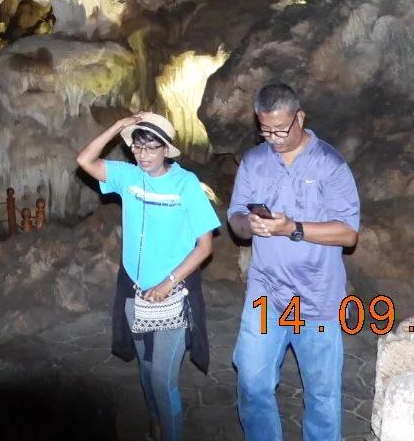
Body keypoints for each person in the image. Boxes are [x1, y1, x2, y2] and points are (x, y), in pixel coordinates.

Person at [226, 83, 361, 441]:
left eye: (281, 129)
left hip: (317, 297)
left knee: (321, 395)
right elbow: (236, 217)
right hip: (267, 292)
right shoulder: (254, 162)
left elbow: (348, 233)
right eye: (265, 129)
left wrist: (293, 228)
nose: (274, 138)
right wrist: (248, 224)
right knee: (252, 382)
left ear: (300, 118)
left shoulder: (330, 164)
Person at [78, 110, 220, 441]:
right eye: (138, 147)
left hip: (173, 292)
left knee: (161, 377)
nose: (144, 155)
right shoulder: (127, 177)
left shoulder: (185, 185)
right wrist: (117, 126)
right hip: (135, 288)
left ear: (166, 149)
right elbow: (85, 159)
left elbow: (205, 247)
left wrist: (168, 281)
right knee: (145, 369)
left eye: (151, 147)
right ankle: (156, 426)